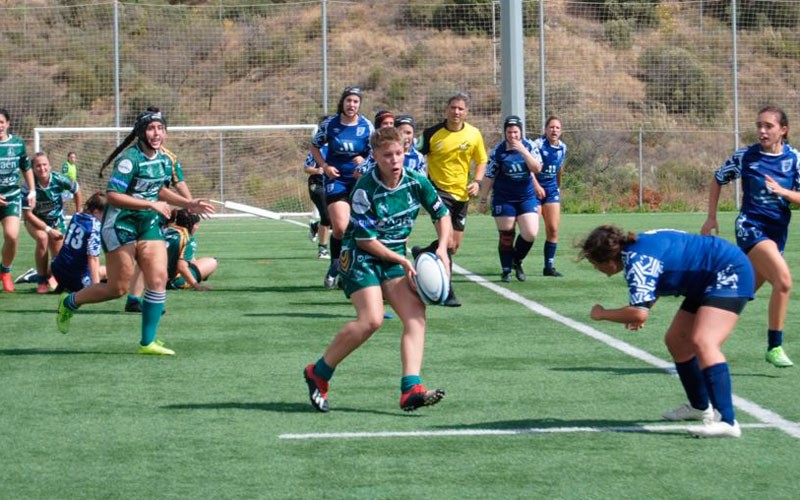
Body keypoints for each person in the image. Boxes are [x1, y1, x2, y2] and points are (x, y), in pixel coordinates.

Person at [303, 126, 452, 413]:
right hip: (360, 255)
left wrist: (443, 249)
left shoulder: (416, 181)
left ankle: (411, 389)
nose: (394, 160)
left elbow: (441, 214)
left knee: (415, 317)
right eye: (387, 156)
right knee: (371, 319)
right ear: (375, 157)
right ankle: (318, 372)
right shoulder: (364, 189)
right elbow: (366, 241)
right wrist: (404, 261)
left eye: (398, 153)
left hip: (394, 255)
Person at [56, 108, 214, 355]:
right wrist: (151, 203)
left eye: (160, 128)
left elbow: (158, 189)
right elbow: (113, 196)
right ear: (141, 132)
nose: (156, 133)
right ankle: (70, 302)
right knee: (117, 289)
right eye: (151, 128)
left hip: (148, 223)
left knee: (159, 278)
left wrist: (188, 203)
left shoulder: (164, 159)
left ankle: (147, 342)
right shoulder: (130, 159)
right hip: (121, 224)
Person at [578, 225, 755, 438]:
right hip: (707, 276)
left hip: (728, 270)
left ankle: (728, 421)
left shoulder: (637, 262)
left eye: (594, 263)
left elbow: (638, 314)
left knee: (703, 342)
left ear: (608, 260)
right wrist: (643, 307)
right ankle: (700, 407)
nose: (596, 268)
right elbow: (662, 273)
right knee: (677, 341)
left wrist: (603, 313)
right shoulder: (636, 247)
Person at [701, 105, 800, 369]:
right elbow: (718, 179)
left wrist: (784, 192)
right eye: (759, 125)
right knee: (784, 282)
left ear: (783, 130)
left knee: (739, 293)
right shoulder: (746, 157)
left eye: (768, 126)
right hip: (750, 227)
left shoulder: (795, 159)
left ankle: (700, 337)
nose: (762, 130)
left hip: (777, 233)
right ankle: (774, 345)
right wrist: (711, 217)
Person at [418, 91, 488, 307]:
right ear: (446, 110)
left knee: (454, 246)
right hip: (438, 193)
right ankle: (447, 291)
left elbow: (482, 160)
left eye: (460, 109)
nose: (456, 112)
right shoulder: (431, 133)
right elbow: (416, 156)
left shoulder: (474, 134)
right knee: (446, 243)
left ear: (466, 112)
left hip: (462, 195)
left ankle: (424, 252)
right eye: (453, 107)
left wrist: (476, 181)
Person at [310, 87, 374, 289]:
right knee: (340, 227)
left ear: (360, 104)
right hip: (336, 180)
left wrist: (363, 164)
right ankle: (335, 264)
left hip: (360, 181)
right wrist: (325, 166)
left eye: (356, 101)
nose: (352, 105)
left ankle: (349, 269)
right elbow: (314, 146)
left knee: (361, 228)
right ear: (342, 102)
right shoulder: (330, 125)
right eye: (349, 101)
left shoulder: (366, 126)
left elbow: (373, 153)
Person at [478, 115, 542, 282]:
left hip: (526, 196)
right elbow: (489, 176)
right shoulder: (498, 151)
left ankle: (517, 261)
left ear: (520, 132)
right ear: (505, 133)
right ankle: (506, 269)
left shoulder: (530, 146)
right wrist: (483, 199)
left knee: (530, 233)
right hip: (504, 197)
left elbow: (537, 168)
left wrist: (523, 151)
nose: (512, 136)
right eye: (509, 132)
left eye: (515, 132)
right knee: (507, 234)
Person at [21, 152, 82, 293]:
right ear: (33, 169)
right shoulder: (28, 186)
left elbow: (77, 190)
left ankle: (47, 276)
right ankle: (41, 280)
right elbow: (27, 214)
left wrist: (78, 212)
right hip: (35, 221)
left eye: (44, 165)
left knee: (58, 253)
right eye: (38, 166)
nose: (42, 168)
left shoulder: (59, 179)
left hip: (56, 220)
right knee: (42, 238)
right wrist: (48, 230)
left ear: (50, 166)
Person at [0, 108, 35, 292]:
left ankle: (5, 271)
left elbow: (26, 167)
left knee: (12, 236)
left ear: (7, 124)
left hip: (11, 198)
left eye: (1, 122)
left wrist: (32, 190)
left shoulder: (18, 144)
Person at [531, 115, 567, 277]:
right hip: (534, 189)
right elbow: (529, 167)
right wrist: (536, 185)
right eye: (551, 127)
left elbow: (560, 168)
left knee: (553, 229)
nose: (554, 130)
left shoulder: (563, 148)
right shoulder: (537, 145)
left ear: (561, 131)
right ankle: (517, 261)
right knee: (532, 229)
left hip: (551, 190)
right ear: (545, 130)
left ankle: (549, 266)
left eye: (557, 128)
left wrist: (558, 187)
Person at [51, 192, 107, 293]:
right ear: (96, 212)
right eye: (105, 213)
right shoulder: (95, 227)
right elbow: (93, 258)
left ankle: (62, 285)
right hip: (75, 278)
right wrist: (95, 287)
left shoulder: (76, 216)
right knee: (111, 272)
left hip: (57, 270)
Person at [164, 209, 217, 290]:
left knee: (191, 260)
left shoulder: (166, 230)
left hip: (151, 279)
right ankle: (193, 280)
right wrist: (197, 286)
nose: (198, 227)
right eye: (197, 224)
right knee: (212, 261)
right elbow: (181, 266)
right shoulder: (188, 238)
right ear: (192, 224)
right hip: (170, 282)